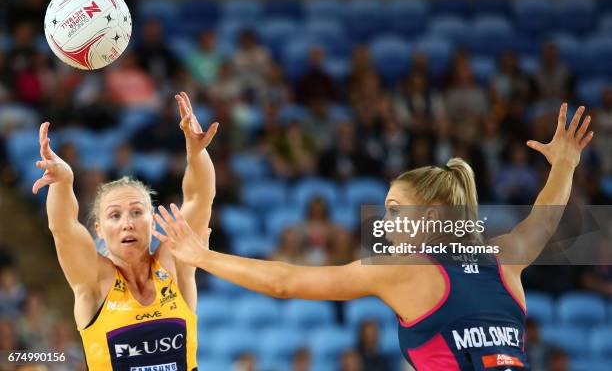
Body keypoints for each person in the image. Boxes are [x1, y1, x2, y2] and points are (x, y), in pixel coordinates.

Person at [154, 104, 593, 370]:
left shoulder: (406, 271)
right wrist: (565, 165)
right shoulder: (504, 258)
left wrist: (202, 256)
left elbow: (286, 282)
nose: (385, 222)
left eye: (396, 211)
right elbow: (544, 219)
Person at [32, 92, 218, 370]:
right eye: (114, 215)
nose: (127, 223)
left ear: (153, 222)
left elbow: (199, 200)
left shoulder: (175, 264)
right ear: (99, 230)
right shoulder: (94, 280)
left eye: (136, 212)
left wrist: (196, 152)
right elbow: (64, 229)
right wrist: (63, 182)